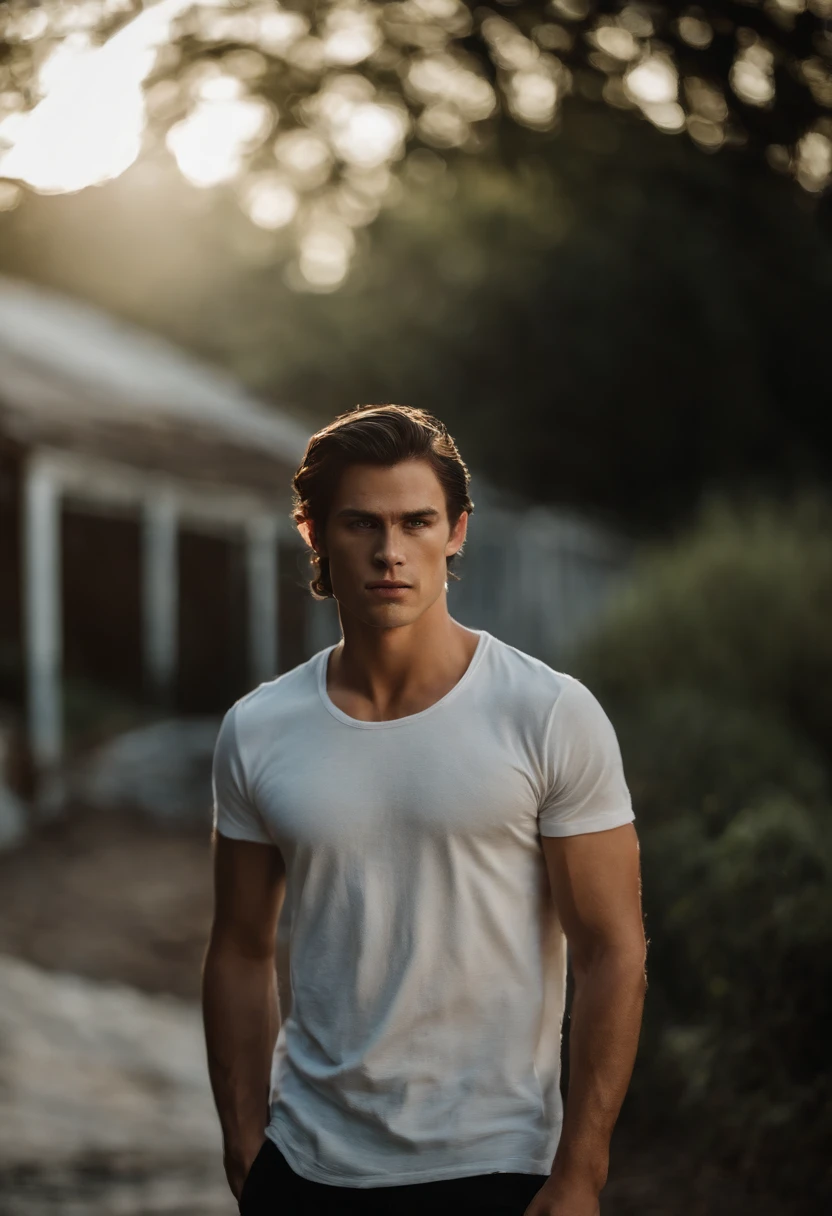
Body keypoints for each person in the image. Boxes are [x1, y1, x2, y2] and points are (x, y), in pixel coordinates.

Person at [203, 404, 646, 1216]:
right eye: (361, 524)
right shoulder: (258, 729)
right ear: (313, 534)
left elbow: (612, 949)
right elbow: (238, 947)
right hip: (307, 1168)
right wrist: (243, 1142)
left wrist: (581, 1172)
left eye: (416, 522)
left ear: (457, 532)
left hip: (500, 1163)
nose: (389, 552)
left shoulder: (547, 712)